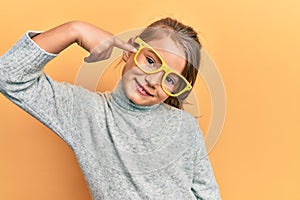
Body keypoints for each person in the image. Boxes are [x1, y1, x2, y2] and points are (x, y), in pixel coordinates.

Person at [0, 18, 221, 199]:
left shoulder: (185, 126)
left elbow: (207, 194)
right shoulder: (85, 112)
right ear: (130, 50)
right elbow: (9, 75)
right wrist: (74, 29)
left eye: (170, 79)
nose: (154, 81)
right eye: (151, 61)